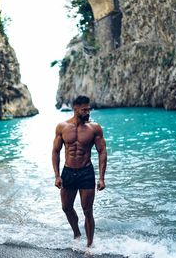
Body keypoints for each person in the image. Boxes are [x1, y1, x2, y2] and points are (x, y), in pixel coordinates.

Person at [52, 95, 107, 248]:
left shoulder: (94, 128)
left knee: (87, 210)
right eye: (84, 110)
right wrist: (57, 175)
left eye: (88, 109)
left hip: (86, 172)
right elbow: (55, 152)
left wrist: (101, 178)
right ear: (75, 109)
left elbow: (102, 151)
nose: (88, 112)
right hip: (68, 172)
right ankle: (76, 234)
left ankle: (89, 245)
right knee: (66, 207)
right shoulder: (62, 127)